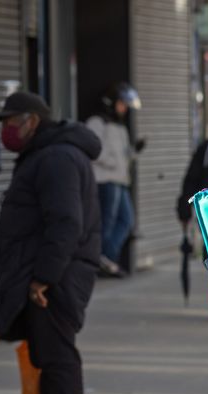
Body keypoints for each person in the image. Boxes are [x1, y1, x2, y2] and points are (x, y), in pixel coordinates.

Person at [0, 92, 102, 394]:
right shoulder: (48, 155)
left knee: (56, 354)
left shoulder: (57, 158)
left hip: (58, 275)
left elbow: (65, 222)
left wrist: (43, 278)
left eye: (10, 122)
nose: (5, 131)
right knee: (47, 351)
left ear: (32, 121)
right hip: (52, 271)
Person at [86, 82, 145, 278]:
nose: (124, 108)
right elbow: (93, 149)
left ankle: (106, 258)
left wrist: (135, 151)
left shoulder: (120, 127)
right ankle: (99, 260)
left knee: (126, 220)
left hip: (120, 180)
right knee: (107, 222)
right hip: (105, 180)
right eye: (122, 104)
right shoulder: (97, 122)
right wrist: (112, 161)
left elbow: (125, 156)